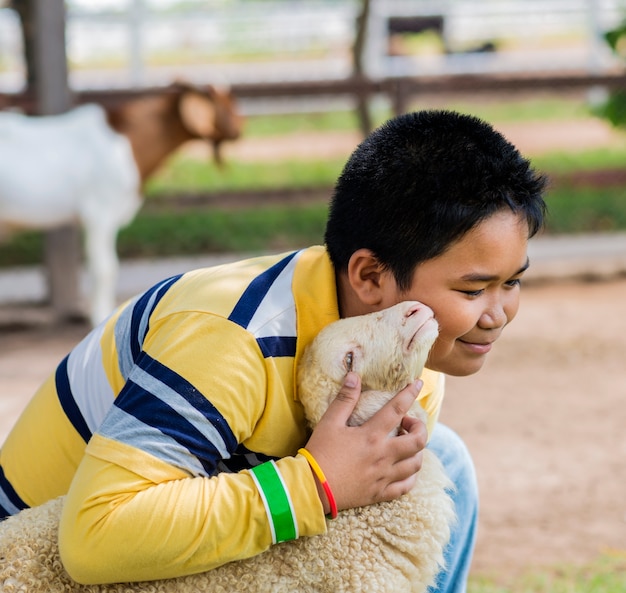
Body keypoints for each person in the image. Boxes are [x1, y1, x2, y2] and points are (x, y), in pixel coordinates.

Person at [0, 110, 546, 591]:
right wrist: (316, 483)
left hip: (184, 508)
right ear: (370, 275)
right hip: (38, 555)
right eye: (473, 290)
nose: (497, 314)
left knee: (433, 462)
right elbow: (91, 538)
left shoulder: (412, 355)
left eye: (512, 282)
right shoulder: (231, 337)